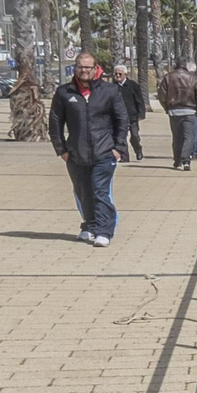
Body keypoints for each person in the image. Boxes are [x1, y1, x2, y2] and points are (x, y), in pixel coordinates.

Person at [49, 52, 127, 247]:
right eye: (80, 67)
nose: (84, 70)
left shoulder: (109, 91)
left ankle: (104, 231)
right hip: (76, 153)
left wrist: (118, 148)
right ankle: (89, 226)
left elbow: (122, 120)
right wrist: (62, 150)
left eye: (87, 67)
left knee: (100, 191)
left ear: (95, 68)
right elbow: (55, 123)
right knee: (83, 192)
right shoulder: (64, 92)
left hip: (104, 152)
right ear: (75, 68)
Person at [158, 60, 197, 170]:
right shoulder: (193, 78)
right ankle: (186, 160)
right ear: (185, 66)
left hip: (174, 111)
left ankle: (177, 161)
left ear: (176, 65)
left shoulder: (168, 77)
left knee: (177, 137)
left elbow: (161, 96)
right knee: (189, 136)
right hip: (190, 111)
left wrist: (167, 108)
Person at [111, 64, 147, 161]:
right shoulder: (112, 87)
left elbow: (140, 100)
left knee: (134, 136)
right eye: (116, 74)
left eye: (120, 74)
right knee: (121, 137)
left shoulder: (133, 85)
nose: (118, 76)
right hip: (118, 117)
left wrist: (141, 114)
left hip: (132, 116)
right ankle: (124, 157)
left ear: (125, 75)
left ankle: (138, 151)